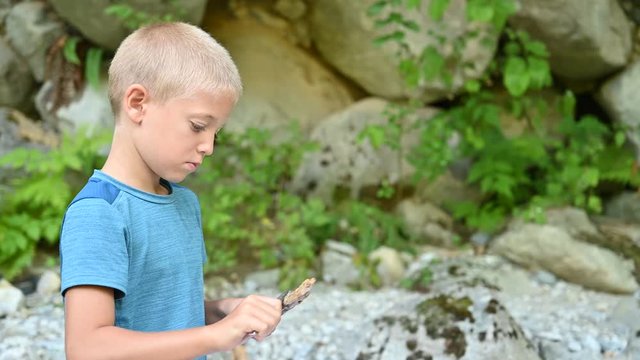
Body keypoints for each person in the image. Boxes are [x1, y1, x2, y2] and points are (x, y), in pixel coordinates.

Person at [59, 22, 282, 360]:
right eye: (197, 126)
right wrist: (214, 337)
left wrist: (222, 312)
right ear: (137, 104)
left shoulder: (184, 204)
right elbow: (87, 348)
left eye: (215, 132)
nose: (208, 146)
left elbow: (165, 315)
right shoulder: (99, 213)